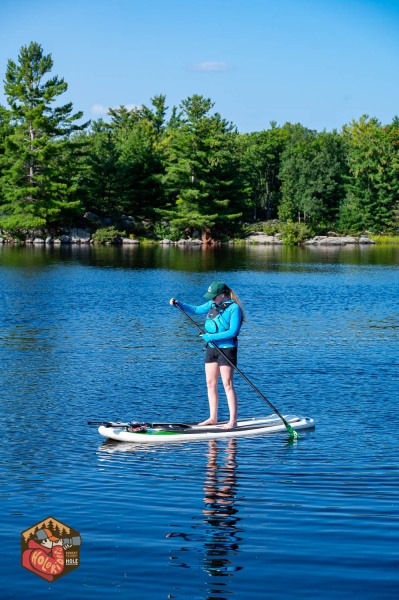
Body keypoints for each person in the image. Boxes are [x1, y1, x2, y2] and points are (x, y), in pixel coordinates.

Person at [170, 281, 244, 429]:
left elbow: (233, 332)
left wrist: (211, 337)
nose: (211, 299)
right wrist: (179, 304)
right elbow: (196, 310)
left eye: (214, 296)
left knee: (227, 384)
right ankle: (212, 418)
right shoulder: (212, 305)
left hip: (227, 349)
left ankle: (233, 421)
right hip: (212, 349)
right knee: (210, 383)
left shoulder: (234, 308)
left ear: (222, 295)